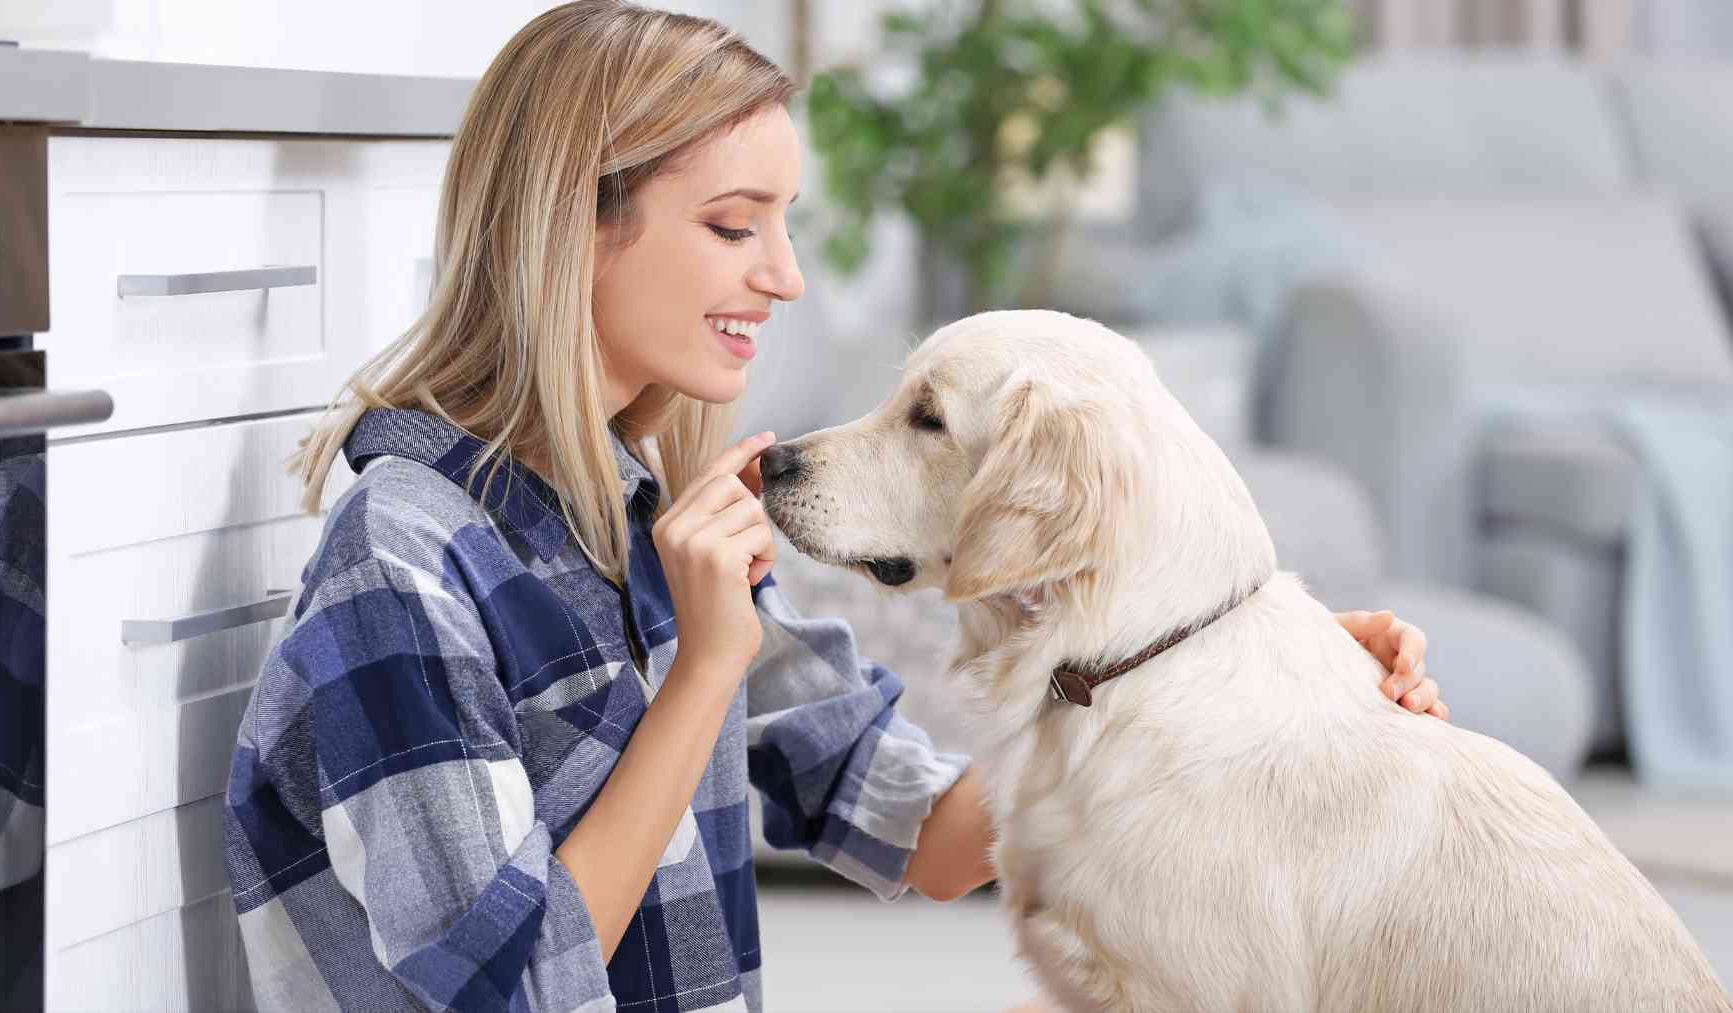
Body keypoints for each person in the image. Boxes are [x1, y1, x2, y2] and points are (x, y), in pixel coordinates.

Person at [221, 3, 1443, 1010]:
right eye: (733, 225)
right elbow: (505, 986)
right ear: (578, 226)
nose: (786, 275)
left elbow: (925, 828)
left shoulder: (660, 520)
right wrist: (702, 673)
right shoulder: (402, 559)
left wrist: (1241, 678)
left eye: (784, 224)